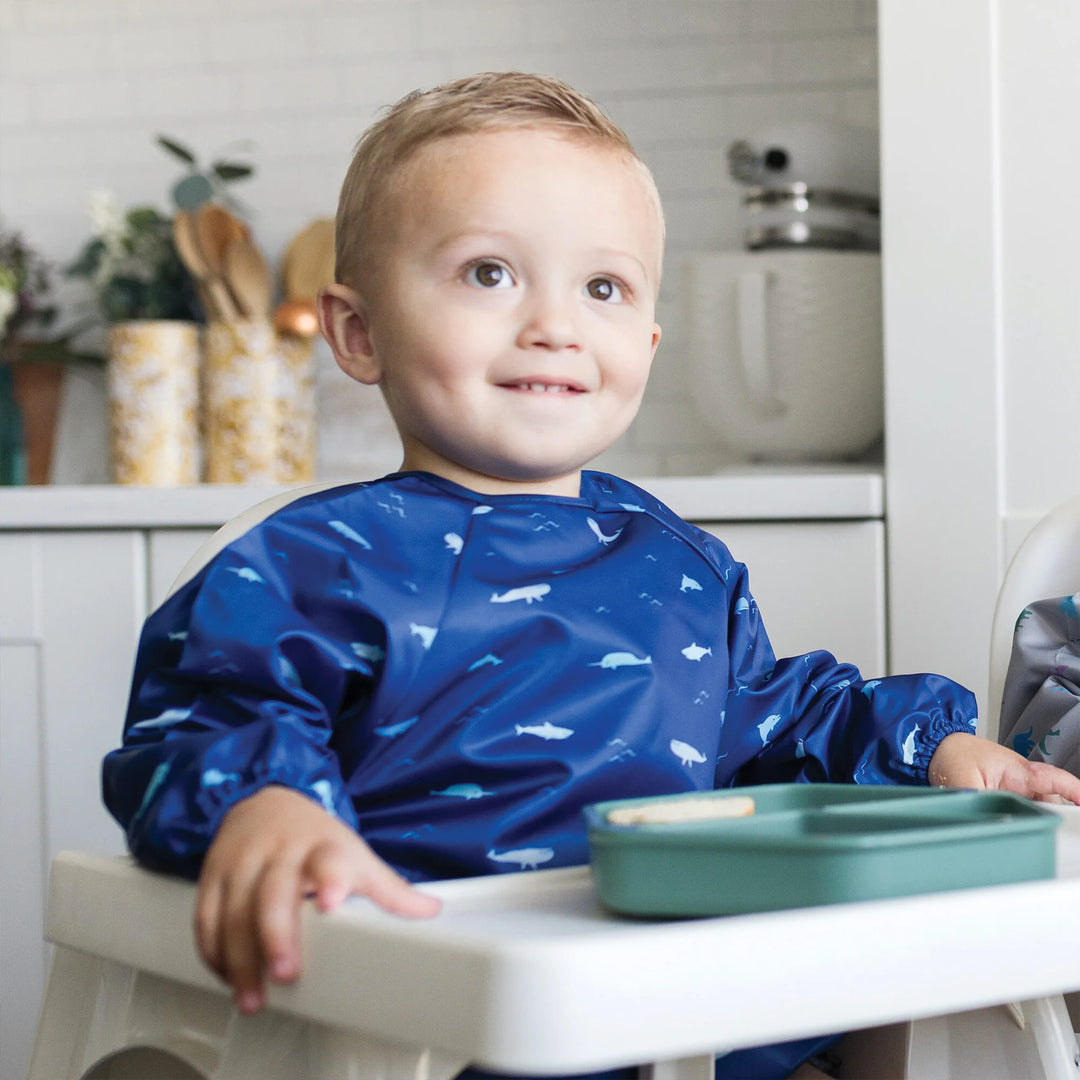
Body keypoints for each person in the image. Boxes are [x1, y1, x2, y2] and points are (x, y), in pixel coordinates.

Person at [102, 72, 1080, 1080]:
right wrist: (264, 806)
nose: (553, 324)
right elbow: (200, 723)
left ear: (646, 345)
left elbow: (780, 719)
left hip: (687, 1012)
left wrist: (934, 746)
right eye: (489, 274)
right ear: (358, 332)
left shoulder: (681, 564)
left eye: (602, 288)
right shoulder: (310, 563)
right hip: (431, 1031)